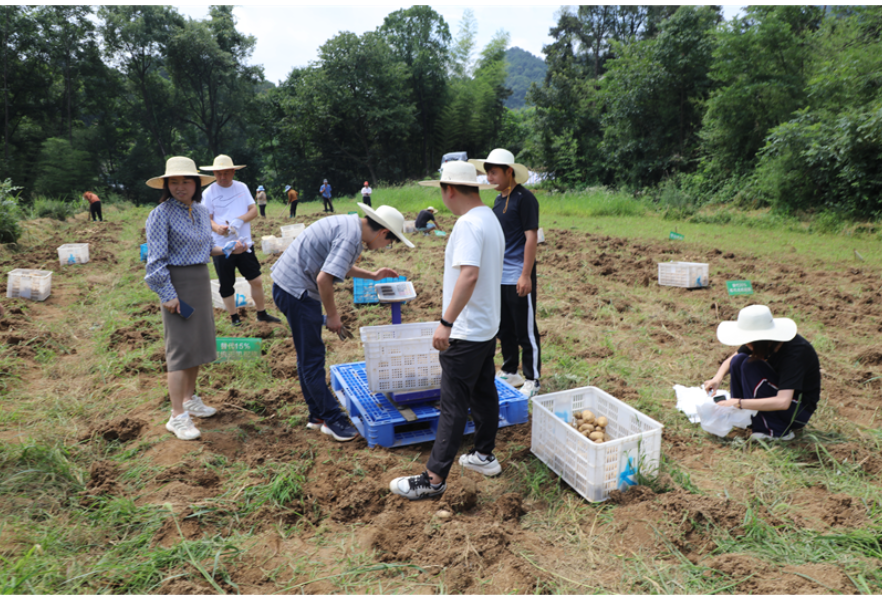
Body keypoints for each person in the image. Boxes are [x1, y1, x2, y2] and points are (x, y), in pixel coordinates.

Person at [390, 161, 504, 501]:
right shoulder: (489, 218)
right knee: (483, 392)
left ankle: (434, 478)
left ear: (449, 189)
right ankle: (484, 455)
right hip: (486, 326)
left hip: (466, 330)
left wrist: (447, 321)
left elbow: (469, 275)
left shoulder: (468, 224)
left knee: (453, 404)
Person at [271, 204, 414, 443]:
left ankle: (317, 415)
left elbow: (339, 266)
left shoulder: (351, 227)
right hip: (297, 291)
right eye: (389, 243)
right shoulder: (351, 237)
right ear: (382, 233)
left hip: (288, 285)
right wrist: (333, 315)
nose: (385, 248)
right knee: (312, 358)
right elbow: (324, 279)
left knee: (308, 355)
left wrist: (372, 275)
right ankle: (332, 419)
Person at [144, 157, 246, 441]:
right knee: (179, 349)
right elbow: (155, 263)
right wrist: (168, 294)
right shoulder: (160, 214)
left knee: (198, 344)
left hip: (200, 280)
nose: (180, 187)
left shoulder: (201, 212)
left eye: (185, 181)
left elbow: (204, 249)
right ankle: (177, 416)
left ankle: (189, 399)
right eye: (174, 182)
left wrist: (228, 249)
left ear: (195, 185)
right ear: (166, 185)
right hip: (176, 283)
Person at [470, 149, 542, 398]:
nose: (488, 177)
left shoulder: (525, 199)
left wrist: (525, 275)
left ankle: (533, 378)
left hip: (518, 275)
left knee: (525, 330)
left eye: (493, 172)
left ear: (509, 171)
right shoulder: (499, 200)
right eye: (487, 173)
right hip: (499, 276)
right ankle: (511, 370)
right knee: (504, 328)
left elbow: (531, 237)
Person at [704, 305, 821, 441]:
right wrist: (717, 378)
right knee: (738, 360)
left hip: (797, 411)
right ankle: (748, 419)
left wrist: (739, 402)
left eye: (749, 343)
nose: (746, 345)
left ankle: (775, 431)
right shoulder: (766, 343)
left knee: (751, 365)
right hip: (779, 398)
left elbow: (783, 402)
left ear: (761, 341)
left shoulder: (795, 354)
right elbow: (732, 360)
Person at [200, 155, 282, 327]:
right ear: (214, 173)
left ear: (233, 171)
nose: (223, 177)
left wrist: (240, 219)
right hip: (222, 247)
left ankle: (262, 313)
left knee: (256, 279)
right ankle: (234, 318)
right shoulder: (208, 193)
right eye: (219, 173)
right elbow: (207, 219)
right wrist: (218, 228)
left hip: (244, 244)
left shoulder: (242, 188)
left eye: (226, 173)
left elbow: (253, 211)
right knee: (226, 284)